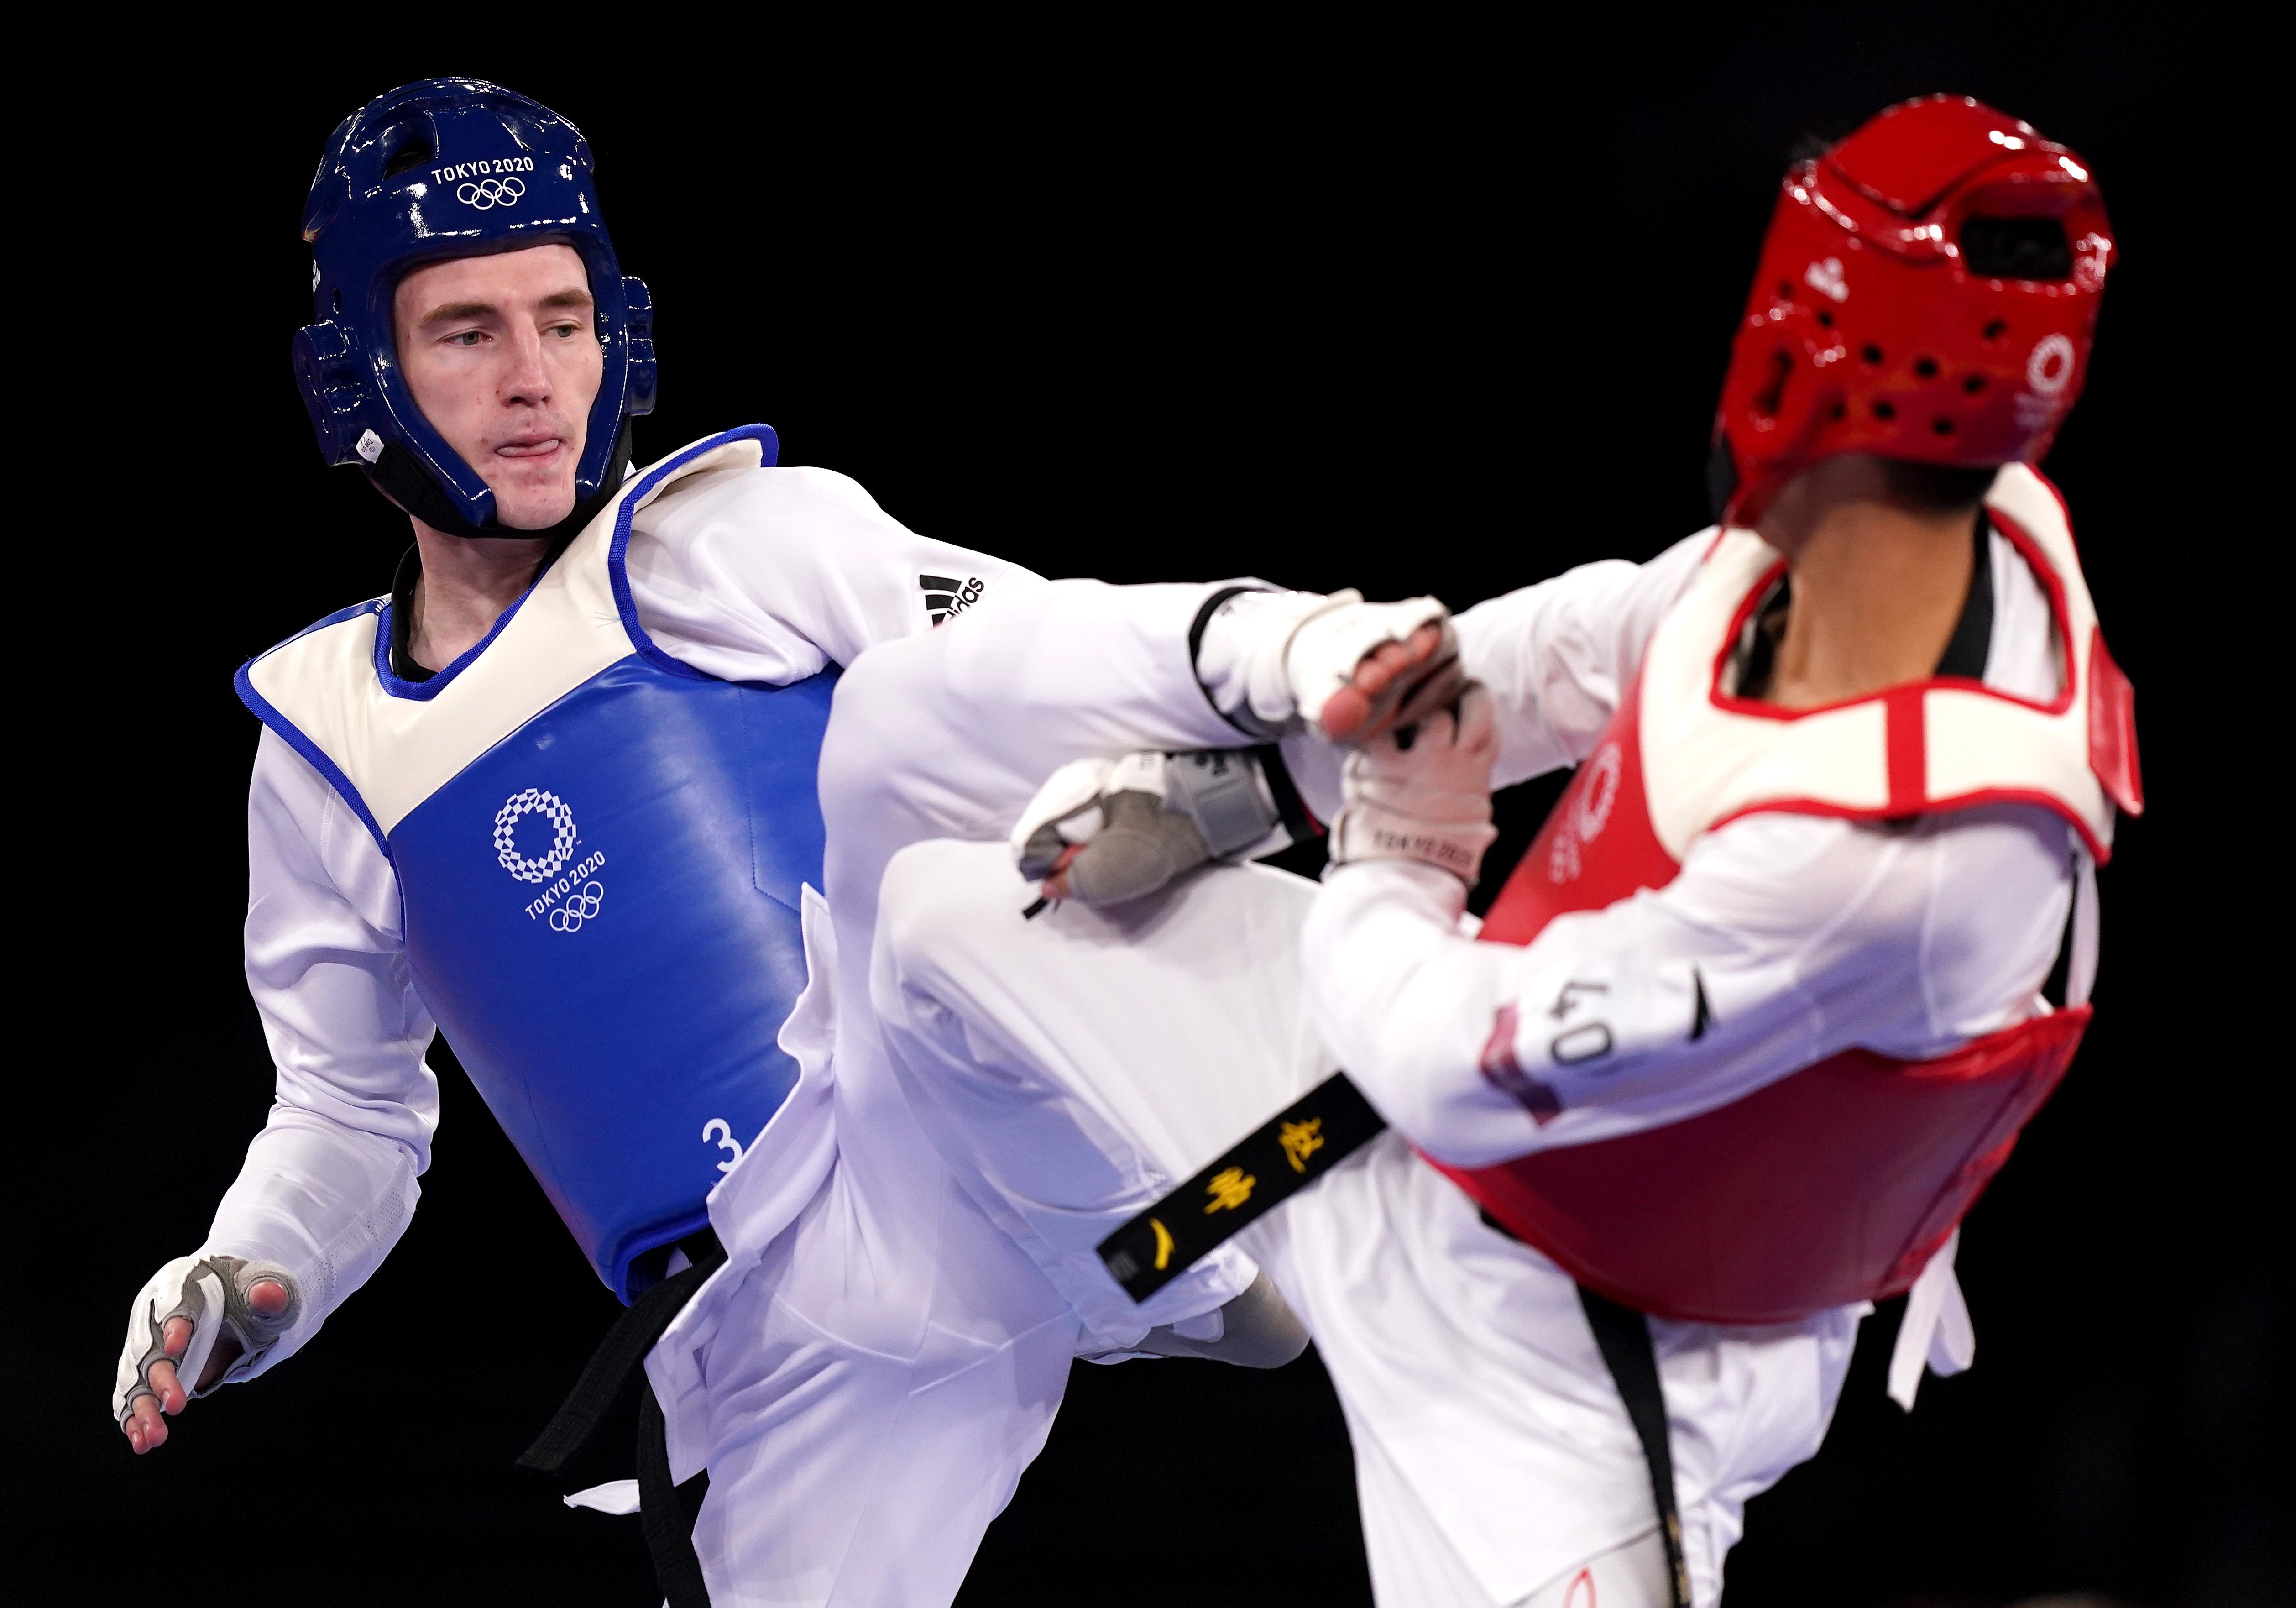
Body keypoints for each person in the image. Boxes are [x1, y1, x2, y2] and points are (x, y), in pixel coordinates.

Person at [113, 76, 1417, 1607]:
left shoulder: (739, 541)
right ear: (361, 376)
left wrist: (1280, 682)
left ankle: (1218, 1199)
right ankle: (1181, 1241)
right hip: (772, 1332)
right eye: (469, 332)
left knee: (949, 857)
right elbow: (347, 1113)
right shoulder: (323, 751)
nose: (537, 380)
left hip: (930, 1125)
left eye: (564, 318)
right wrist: (250, 1275)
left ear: (622, 330)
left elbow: (1049, 658)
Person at [846, 94, 2139, 1605]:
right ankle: (1154, 1272)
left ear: (1799, 336)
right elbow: (1582, 647)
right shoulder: (1949, 521)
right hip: (1375, 1135)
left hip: (1586, 1359)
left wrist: (1394, 844)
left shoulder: (1901, 851)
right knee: (945, 915)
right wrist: (1263, 788)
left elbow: (1448, 1055)